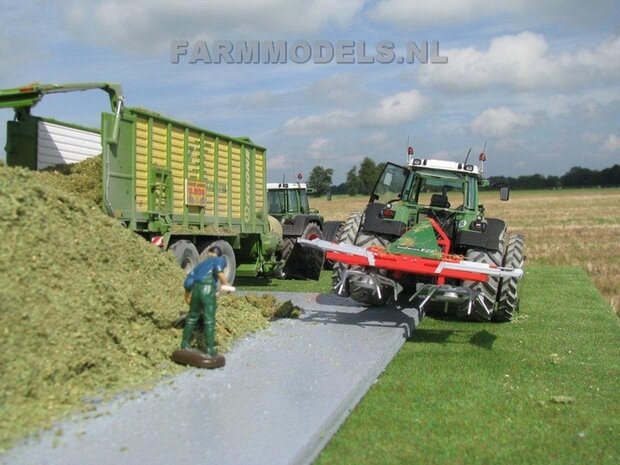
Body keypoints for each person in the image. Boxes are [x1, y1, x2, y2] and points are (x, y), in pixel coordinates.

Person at [180, 245, 229, 357]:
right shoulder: (219, 260)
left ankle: (184, 344)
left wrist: (187, 295)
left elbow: (188, 282)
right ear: (218, 254)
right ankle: (210, 349)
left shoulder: (200, 265)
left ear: (209, 253)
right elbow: (219, 269)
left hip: (196, 290)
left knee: (192, 317)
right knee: (209, 320)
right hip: (207, 289)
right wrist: (225, 283)